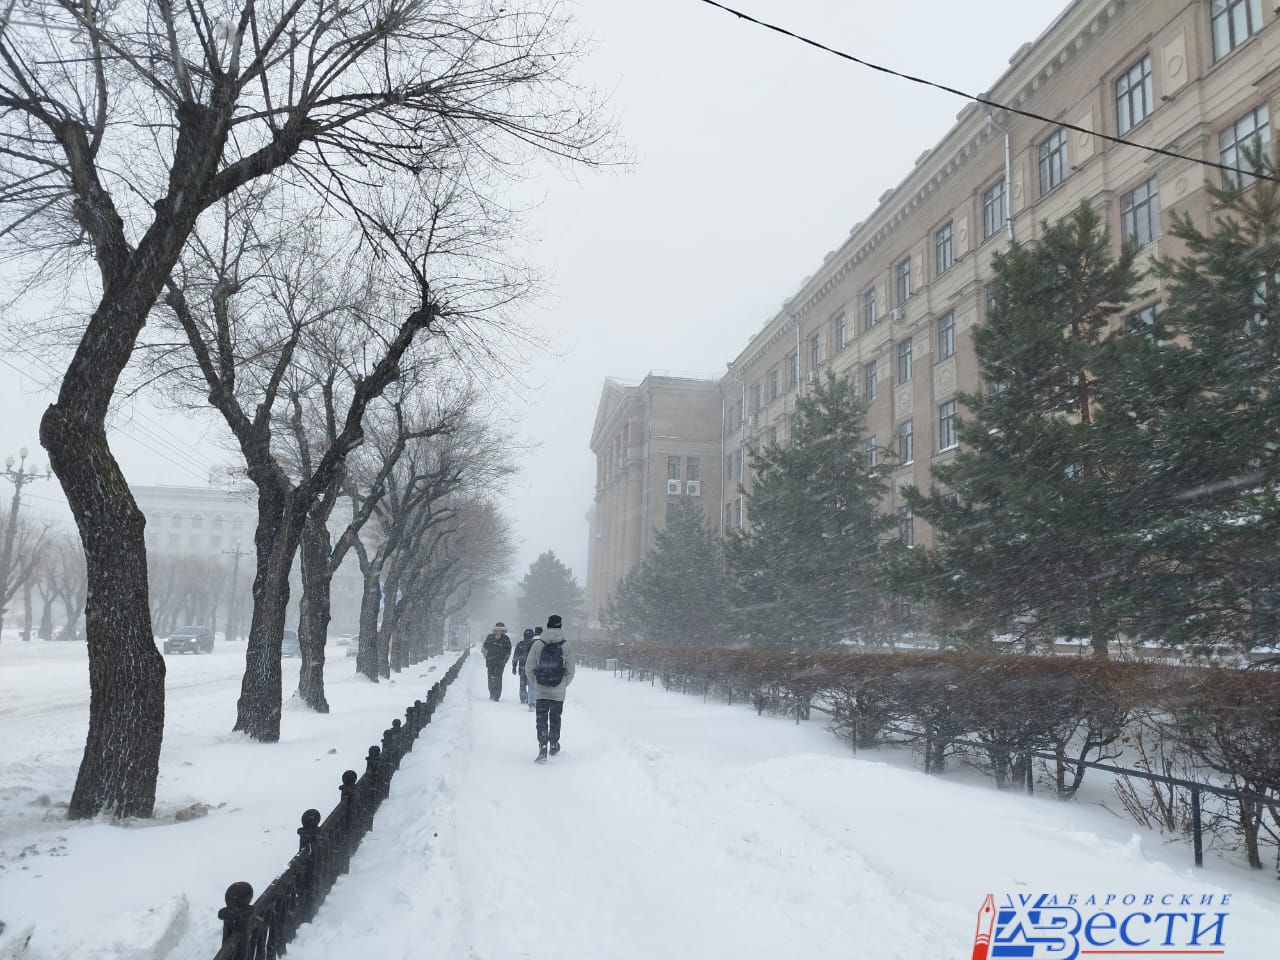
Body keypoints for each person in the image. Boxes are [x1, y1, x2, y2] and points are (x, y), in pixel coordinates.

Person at [525, 614, 575, 762]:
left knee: (541, 719)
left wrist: (535, 682)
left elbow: (529, 667)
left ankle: (542, 747)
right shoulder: (566, 645)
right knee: (555, 718)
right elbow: (571, 670)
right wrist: (563, 684)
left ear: (547, 626)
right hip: (558, 690)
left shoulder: (538, 644)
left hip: (541, 689)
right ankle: (554, 743)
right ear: (560, 626)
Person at [481, 622, 512, 701]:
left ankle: (496, 696)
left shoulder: (506, 639)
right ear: (495, 630)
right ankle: (491, 694)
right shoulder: (490, 637)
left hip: (500, 663)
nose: (499, 631)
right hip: (490, 661)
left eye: (501, 630)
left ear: (503, 631)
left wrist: (504, 661)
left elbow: (508, 651)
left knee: (498, 678)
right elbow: (485, 647)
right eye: (497, 629)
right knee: (491, 678)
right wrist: (487, 657)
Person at [512, 628, 536, 704]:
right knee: (531, 684)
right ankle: (530, 698)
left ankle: (523, 698)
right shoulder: (535, 644)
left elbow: (515, 656)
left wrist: (514, 667)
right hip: (532, 668)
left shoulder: (520, 644)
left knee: (523, 684)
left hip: (522, 668)